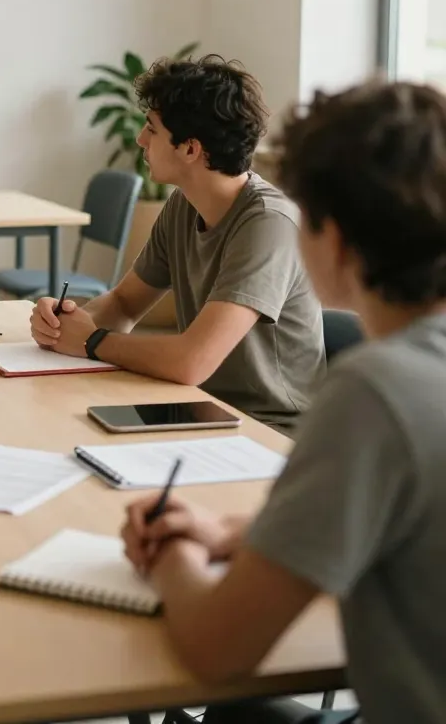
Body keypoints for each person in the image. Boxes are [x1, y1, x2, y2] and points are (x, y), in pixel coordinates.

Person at [121, 81, 446, 724]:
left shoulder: (374, 392)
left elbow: (218, 650)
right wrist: (230, 533)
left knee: (230, 708)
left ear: (335, 241)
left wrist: (170, 552)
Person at [30, 55, 323, 433]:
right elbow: (123, 303)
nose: (140, 140)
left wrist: (92, 341)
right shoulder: (184, 204)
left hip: (270, 431)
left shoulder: (269, 223)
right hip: (203, 409)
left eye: (151, 129)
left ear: (190, 149)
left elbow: (192, 361)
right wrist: (65, 322)